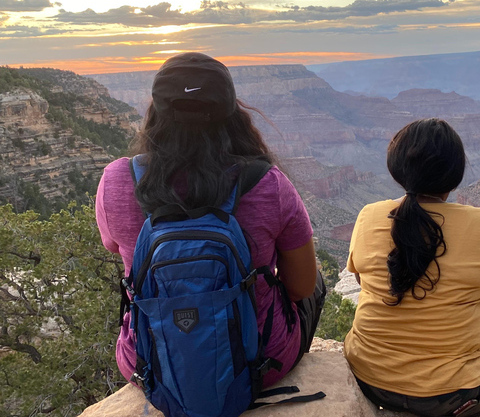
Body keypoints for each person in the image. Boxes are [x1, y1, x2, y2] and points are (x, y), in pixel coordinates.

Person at [96, 52, 326, 389]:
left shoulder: (119, 179)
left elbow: (114, 247)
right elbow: (301, 288)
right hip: (259, 362)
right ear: (231, 113)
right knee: (317, 280)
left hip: (152, 365)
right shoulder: (266, 183)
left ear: (155, 112)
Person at [343, 118, 480, 417]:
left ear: (397, 169)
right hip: (461, 396)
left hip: (370, 380)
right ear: (454, 175)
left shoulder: (368, 215)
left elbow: (363, 279)